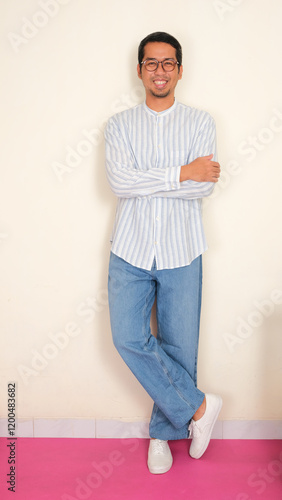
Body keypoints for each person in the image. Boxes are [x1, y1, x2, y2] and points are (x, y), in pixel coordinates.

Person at [104, 31, 222, 474]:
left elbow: (205, 186)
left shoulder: (200, 123)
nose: (159, 70)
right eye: (151, 63)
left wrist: (163, 179)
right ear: (140, 70)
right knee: (128, 337)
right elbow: (121, 183)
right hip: (130, 249)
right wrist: (181, 173)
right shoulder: (118, 126)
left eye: (167, 63)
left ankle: (161, 433)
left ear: (179, 69)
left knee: (178, 346)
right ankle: (198, 407)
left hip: (182, 249)